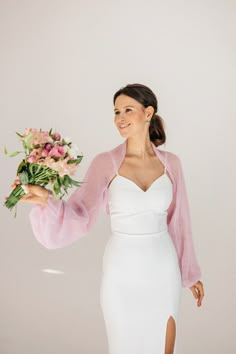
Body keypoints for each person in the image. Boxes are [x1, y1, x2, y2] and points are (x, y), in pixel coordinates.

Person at [12, 83, 204, 354]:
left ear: (148, 113)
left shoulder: (172, 163)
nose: (120, 119)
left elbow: (180, 221)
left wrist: (189, 274)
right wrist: (47, 201)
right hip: (121, 272)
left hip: (163, 270)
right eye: (116, 112)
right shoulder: (105, 162)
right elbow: (80, 213)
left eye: (128, 110)